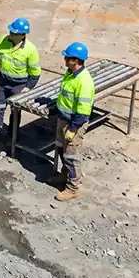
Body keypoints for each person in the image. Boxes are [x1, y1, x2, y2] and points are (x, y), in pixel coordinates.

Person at [51, 41, 95, 202]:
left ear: (75, 60)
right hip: (64, 118)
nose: (64, 59)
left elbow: (83, 111)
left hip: (73, 123)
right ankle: (64, 176)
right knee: (61, 149)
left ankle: (72, 188)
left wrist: (73, 128)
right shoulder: (70, 73)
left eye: (67, 57)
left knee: (71, 156)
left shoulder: (84, 81)